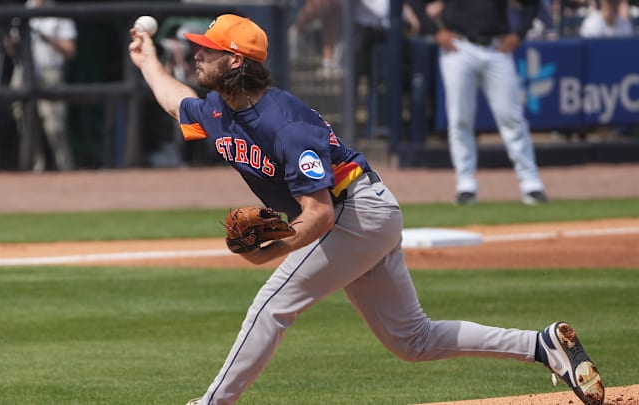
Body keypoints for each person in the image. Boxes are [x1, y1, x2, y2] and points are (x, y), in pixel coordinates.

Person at [128, 14, 604, 405]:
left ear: (234, 61)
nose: (197, 54)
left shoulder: (286, 123)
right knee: (412, 341)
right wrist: (147, 60)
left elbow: (318, 216)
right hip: (358, 216)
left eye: (207, 49)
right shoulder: (217, 109)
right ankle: (540, 345)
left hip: (355, 211)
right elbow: (176, 102)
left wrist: (268, 251)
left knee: (272, 305)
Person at [409, 0, 549, 205]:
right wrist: (435, 31)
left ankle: (531, 183)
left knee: (511, 118)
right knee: (459, 119)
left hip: (496, 47)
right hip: (458, 46)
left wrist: (519, 34)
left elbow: (531, 4)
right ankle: (465, 185)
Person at [5, 0, 77, 172]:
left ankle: (66, 168)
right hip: (24, 71)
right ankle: (36, 168)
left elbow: (70, 51)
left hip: (50, 72)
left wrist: (47, 39)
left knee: (54, 125)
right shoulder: (22, 12)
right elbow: (12, 50)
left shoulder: (59, 14)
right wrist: (11, 45)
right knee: (25, 121)